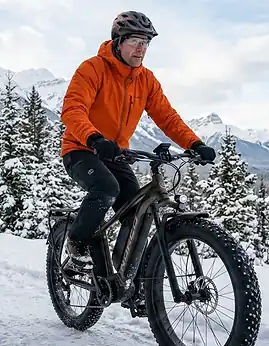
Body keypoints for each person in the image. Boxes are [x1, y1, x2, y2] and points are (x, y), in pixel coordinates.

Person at [60, 10, 216, 267]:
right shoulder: (92, 69)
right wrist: (94, 138)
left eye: (146, 43)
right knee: (106, 188)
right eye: (135, 41)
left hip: (116, 154)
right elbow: (73, 110)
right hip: (81, 149)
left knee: (137, 213)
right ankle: (77, 241)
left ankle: (122, 276)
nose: (141, 49)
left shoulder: (146, 80)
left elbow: (167, 117)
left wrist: (194, 143)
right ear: (118, 41)